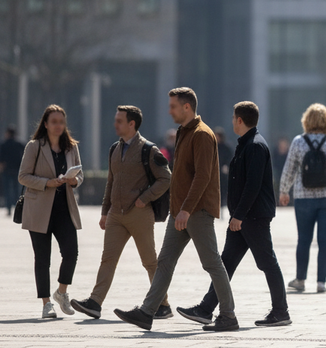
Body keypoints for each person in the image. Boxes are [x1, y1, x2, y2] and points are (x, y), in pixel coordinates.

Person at [114, 87, 239, 332]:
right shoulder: (184, 132)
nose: (169, 110)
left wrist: (186, 210)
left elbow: (203, 177)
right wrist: (178, 209)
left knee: (212, 263)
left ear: (186, 107)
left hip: (195, 211)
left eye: (173, 106)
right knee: (165, 262)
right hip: (180, 211)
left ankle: (228, 316)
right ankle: (147, 312)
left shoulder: (202, 134)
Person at [178, 101, 291, 327]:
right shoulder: (246, 144)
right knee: (226, 263)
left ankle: (281, 311)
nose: (231, 121)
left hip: (252, 217)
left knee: (267, 262)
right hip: (242, 217)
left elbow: (253, 185)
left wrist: (238, 215)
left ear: (240, 120)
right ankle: (206, 309)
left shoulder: (255, 146)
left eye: (233, 118)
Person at [70, 106, 172, 320]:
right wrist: (105, 211)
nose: (115, 124)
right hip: (116, 214)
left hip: (140, 214)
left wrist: (145, 198)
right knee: (107, 259)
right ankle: (95, 302)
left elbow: (166, 178)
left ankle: (163, 305)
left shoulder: (149, 150)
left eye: (119, 121)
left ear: (131, 124)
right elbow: (111, 182)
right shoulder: (114, 148)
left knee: (150, 262)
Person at [279, 103, 326, 294]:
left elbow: (289, 169)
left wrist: (284, 191)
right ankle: (321, 282)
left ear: (306, 120)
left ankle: (301, 279)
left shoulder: (298, 141)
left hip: (304, 197)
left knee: (303, 239)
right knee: (325, 239)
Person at [18, 105, 83, 319]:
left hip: (65, 209)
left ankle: (61, 292)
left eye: (61, 122)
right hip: (39, 210)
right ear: (45, 124)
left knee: (71, 253)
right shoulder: (34, 146)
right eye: (53, 122)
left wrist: (74, 180)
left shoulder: (71, 147)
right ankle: (46, 304)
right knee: (42, 259)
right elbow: (23, 176)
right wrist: (48, 183)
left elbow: (80, 175)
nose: (58, 126)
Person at [1, 128, 25, 216]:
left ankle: (8, 208)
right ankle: (17, 207)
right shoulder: (19, 144)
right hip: (17, 169)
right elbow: (25, 154)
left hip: (6, 169)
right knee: (16, 189)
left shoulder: (4, 144)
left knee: (7, 189)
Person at [215, 127, 234, 207]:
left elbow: (230, 158)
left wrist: (226, 166)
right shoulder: (213, 146)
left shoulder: (226, 147)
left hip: (223, 172)